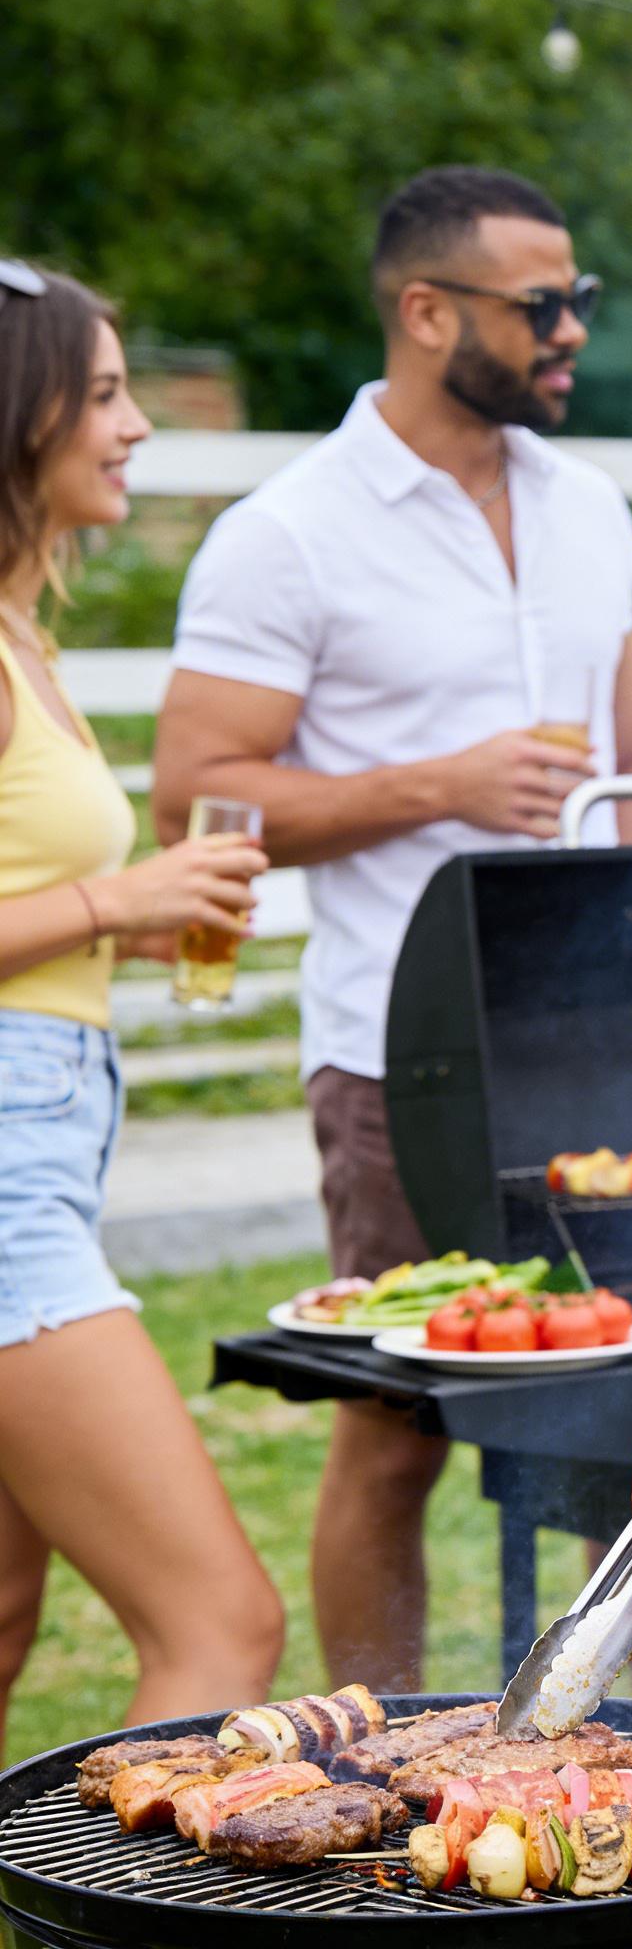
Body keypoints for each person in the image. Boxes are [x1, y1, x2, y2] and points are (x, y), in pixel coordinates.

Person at [151, 166, 632, 1698]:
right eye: (544, 305)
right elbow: (199, 793)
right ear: (427, 310)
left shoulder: (589, 510)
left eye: (578, 298)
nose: (572, 328)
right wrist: (434, 787)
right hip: (406, 1067)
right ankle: (379, 1754)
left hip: (601, 1060)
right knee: (392, 1439)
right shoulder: (290, 532)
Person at [0, 261, 283, 1755]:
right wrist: (127, 898)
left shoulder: (21, 636)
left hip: (42, 1140)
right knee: (221, 1626)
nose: (133, 428)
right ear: (20, 410)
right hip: (3, 1173)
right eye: (103, 394)